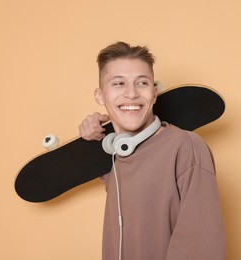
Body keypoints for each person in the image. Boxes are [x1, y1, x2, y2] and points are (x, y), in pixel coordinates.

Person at [78, 41, 226, 260]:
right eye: (119, 83)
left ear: (154, 93)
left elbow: (202, 249)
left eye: (142, 83)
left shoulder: (186, 147)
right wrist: (93, 136)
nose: (131, 94)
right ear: (100, 96)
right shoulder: (115, 158)